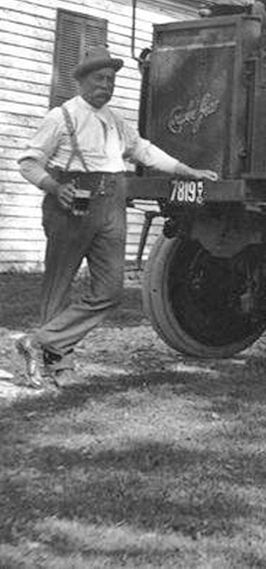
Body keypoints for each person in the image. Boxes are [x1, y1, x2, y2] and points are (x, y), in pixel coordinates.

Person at [12, 46, 219, 389]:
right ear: (80, 81)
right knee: (58, 287)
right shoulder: (60, 117)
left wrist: (186, 170)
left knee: (111, 290)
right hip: (71, 204)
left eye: (110, 80)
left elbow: (144, 150)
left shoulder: (114, 120)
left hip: (112, 202)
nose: (105, 86)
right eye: (98, 79)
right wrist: (53, 186)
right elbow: (28, 162)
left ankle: (39, 342)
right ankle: (58, 364)